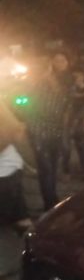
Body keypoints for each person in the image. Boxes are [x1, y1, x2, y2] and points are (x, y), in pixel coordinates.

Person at [25, 52, 72, 211]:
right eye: (56, 60)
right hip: (39, 130)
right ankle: (50, 202)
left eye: (63, 60)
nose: (59, 63)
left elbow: (69, 105)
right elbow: (28, 103)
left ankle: (52, 200)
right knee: (46, 169)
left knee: (52, 167)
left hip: (57, 130)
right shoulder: (37, 82)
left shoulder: (67, 81)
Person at [0, 100, 32, 233]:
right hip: (10, 169)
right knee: (19, 215)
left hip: (7, 171)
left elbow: (17, 128)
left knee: (20, 218)